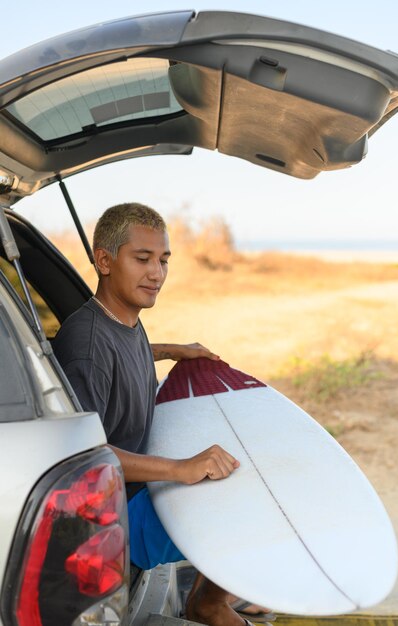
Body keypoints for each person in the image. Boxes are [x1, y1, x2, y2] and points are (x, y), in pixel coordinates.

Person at [53, 202, 257, 626]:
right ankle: (208, 603)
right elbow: (83, 456)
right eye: (142, 259)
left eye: (163, 260)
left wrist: (172, 351)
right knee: (243, 499)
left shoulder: (122, 319)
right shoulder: (86, 346)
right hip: (115, 518)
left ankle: (222, 585)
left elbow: (124, 354)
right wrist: (180, 468)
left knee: (238, 456)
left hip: (136, 493)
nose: (157, 274)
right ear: (105, 261)